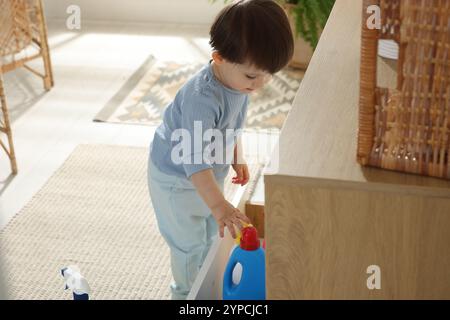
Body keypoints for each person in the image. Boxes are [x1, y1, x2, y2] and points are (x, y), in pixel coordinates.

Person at [147, 0, 294, 300]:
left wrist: (236, 156)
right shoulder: (202, 100)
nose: (260, 84)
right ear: (218, 58)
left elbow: (230, 124)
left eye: (268, 75)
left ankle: (207, 279)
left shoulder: (239, 82)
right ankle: (186, 295)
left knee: (211, 234)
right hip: (177, 178)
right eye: (253, 76)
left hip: (204, 174)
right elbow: (194, 162)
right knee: (189, 245)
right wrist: (220, 206)